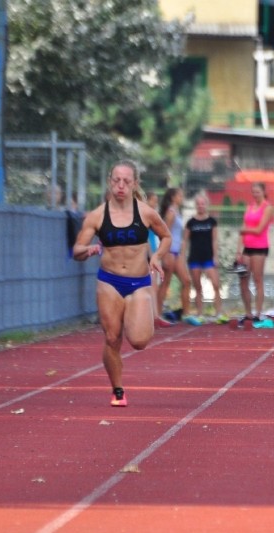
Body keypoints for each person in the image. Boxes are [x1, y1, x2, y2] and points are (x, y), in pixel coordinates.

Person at [72, 159, 171, 407]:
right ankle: (117, 389)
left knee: (138, 341)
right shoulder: (97, 215)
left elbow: (166, 236)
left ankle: (137, 316)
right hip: (109, 282)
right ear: (110, 182)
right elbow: (76, 250)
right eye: (116, 180)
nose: (121, 185)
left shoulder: (146, 212)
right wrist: (88, 250)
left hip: (138, 282)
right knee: (112, 337)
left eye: (126, 181)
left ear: (135, 183)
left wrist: (157, 256)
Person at [184, 192, 226, 324]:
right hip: (194, 257)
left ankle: (218, 313)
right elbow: (185, 241)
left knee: (216, 284)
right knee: (197, 287)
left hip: (208, 257)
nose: (201, 206)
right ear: (196, 205)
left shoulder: (211, 221)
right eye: (198, 204)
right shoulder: (191, 222)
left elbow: (214, 240)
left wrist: (215, 256)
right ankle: (200, 314)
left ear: (207, 205)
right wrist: (182, 256)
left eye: (203, 203)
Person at [237, 182, 274, 323]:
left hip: (260, 247)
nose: (255, 194)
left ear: (264, 192)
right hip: (247, 247)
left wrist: (245, 230)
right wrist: (238, 250)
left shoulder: (268, 207)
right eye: (253, 192)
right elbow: (243, 227)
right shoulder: (249, 207)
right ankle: (248, 313)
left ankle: (258, 313)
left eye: (257, 191)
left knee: (257, 279)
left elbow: (259, 229)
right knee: (243, 279)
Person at [156, 188, 191, 323]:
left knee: (186, 281)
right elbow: (164, 233)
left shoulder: (177, 212)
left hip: (177, 252)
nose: (182, 197)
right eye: (180, 195)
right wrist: (164, 253)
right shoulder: (170, 213)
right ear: (173, 198)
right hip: (169, 252)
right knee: (166, 283)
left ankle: (186, 314)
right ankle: (158, 315)